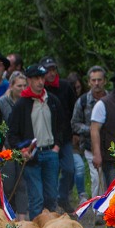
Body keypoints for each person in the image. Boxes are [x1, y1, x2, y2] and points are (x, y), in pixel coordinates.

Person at [6, 63, 69, 218]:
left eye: (42, 77)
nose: (40, 81)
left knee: (51, 195)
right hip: (32, 154)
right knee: (36, 197)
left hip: (50, 151)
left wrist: (57, 146)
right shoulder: (21, 104)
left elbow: (62, 124)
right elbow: (12, 132)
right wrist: (22, 150)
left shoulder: (52, 100)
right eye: (36, 78)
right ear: (29, 80)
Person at [39, 57, 81, 210]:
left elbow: (74, 110)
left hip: (66, 136)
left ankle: (63, 196)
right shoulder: (41, 90)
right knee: (51, 171)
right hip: (47, 137)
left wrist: (75, 132)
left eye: (53, 70)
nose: (51, 73)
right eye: (47, 71)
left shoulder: (65, 86)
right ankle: (50, 202)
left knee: (70, 168)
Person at [71, 66, 108, 196]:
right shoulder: (82, 101)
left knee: (109, 179)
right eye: (93, 80)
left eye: (99, 80)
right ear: (89, 82)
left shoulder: (111, 100)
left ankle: (111, 210)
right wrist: (93, 129)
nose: (96, 83)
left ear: (105, 81)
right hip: (90, 146)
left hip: (110, 147)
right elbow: (74, 124)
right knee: (96, 179)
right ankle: (97, 211)